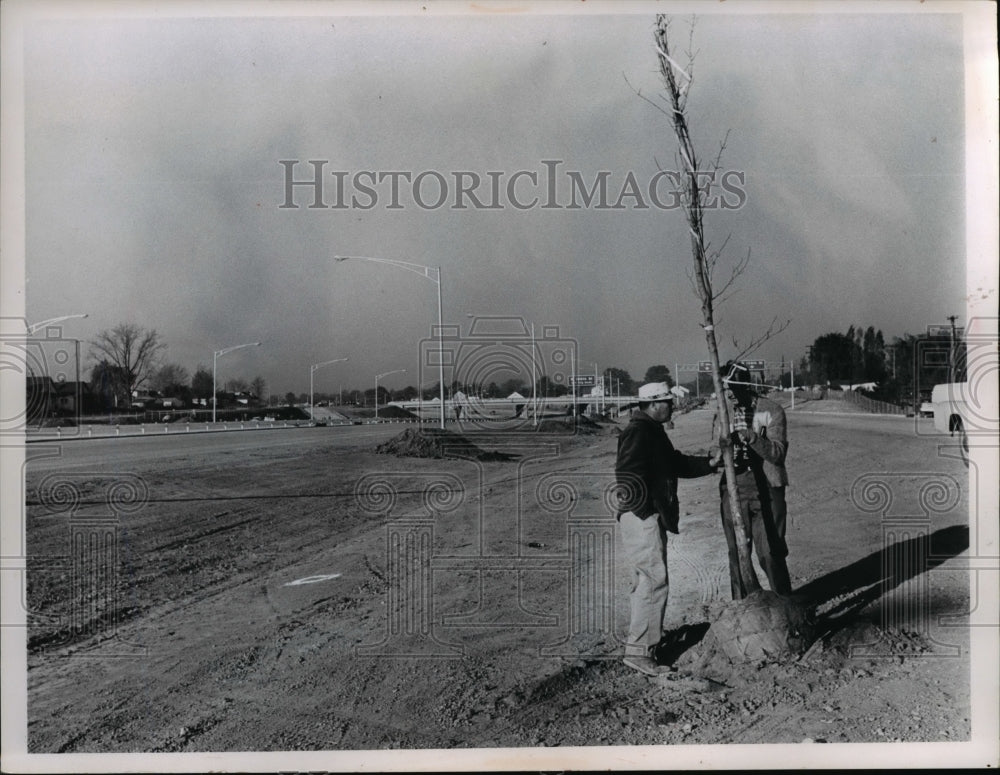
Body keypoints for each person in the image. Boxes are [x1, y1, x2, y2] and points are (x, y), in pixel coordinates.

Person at [615, 382, 719, 676]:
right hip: (641, 517)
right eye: (668, 402)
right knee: (653, 581)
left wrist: (709, 463)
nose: (673, 406)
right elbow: (626, 476)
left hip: (642, 516)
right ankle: (639, 652)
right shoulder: (639, 431)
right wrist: (647, 513)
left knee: (649, 580)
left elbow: (674, 463)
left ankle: (644, 645)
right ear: (653, 404)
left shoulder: (652, 430)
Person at [713, 361, 792, 599]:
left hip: (767, 485)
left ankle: (783, 604)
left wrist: (752, 437)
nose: (729, 395)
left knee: (770, 552)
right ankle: (742, 608)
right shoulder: (722, 412)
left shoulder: (772, 410)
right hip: (733, 484)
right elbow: (713, 449)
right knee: (737, 553)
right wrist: (717, 454)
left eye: (732, 388)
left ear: (743, 385)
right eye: (724, 390)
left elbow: (777, 454)